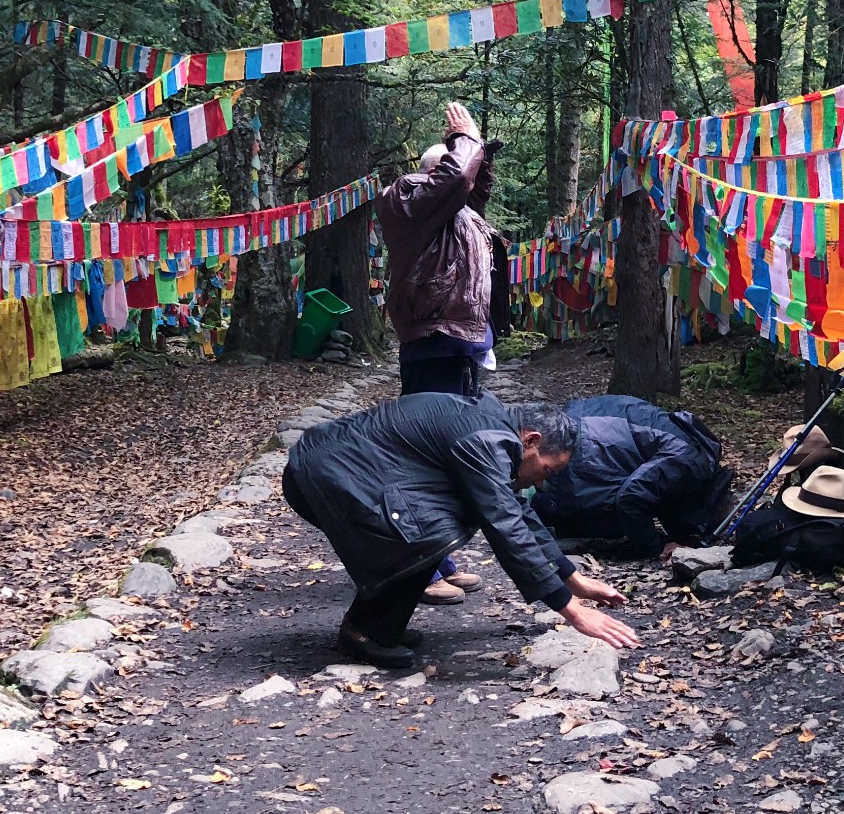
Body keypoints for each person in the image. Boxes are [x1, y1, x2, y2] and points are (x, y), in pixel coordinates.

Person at [282, 393, 640, 668]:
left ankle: (379, 626)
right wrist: (572, 611)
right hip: (323, 478)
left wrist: (573, 580)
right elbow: (504, 525)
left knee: (432, 527)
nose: (543, 482)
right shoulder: (485, 440)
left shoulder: (492, 430)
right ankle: (363, 631)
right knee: (429, 533)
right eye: (547, 470)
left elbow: (516, 512)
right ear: (531, 440)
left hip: (335, 472)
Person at [374, 101, 508, 604]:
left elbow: (471, 187)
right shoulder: (406, 197)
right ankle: (419, 566)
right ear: (439, 173)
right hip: (435, 338)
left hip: (463, 344)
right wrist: (466, 139)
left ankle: (441, 557)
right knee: (424, 455)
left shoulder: (460, 211)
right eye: (460, 170)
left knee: (451, 453)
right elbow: (455, 181)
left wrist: (478, 150)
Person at [533, 396, 736, 559]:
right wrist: (657, 547)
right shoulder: (688, 459)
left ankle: (533, 504)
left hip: (581, 425)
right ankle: (533, 510)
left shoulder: (691, 441)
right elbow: (631, 497)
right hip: (584, 451)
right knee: (616, 519)